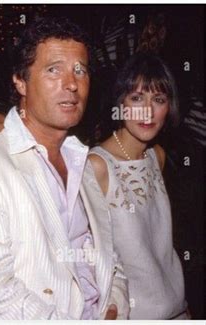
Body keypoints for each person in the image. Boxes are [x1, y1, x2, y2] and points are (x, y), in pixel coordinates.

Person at [0, 17, 129, 320]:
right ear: (20, 81)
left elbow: (111, 262)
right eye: (54, 70)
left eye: (80, 70)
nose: (71, 84)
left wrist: (115, 306)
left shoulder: (85, 163)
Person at [86, 52, 188, 319]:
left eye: (159, 99)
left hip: (180, 309)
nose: (148, 111)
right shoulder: (97, 166)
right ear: (120, 102)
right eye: (136, 98)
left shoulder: (157, 156)